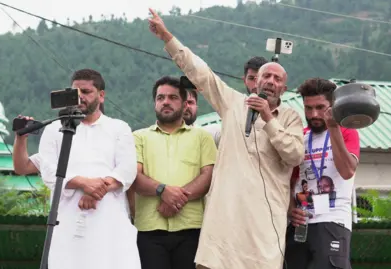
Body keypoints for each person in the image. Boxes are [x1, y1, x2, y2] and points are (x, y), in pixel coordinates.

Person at [147, 8, 305, 269]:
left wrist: (268, 118)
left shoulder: (290, 119)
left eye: (277, 79)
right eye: (266, 76)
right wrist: (167, 37)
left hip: (264, 232)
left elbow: (294, 155)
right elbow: (202, 73)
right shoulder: (233, 103)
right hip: (225, 228)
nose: (270, 81)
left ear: (284, 89)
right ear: (254, 82)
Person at [37, 69, 141, 269]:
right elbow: (48, 171)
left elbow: (127, 169)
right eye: (76, 92)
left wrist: (95, 191)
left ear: (101, 95)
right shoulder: (54, 129)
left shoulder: (119, 128)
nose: (80, 97)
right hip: (67, 220)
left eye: (86, 92)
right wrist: (84, 183)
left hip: (110, 222)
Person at [132, 76, 217, 269]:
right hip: (149, 230)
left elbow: (208, 176)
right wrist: (163, 190)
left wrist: (175, 200)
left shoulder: (202, 138)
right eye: (160, 98)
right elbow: (135, 177)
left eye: (172, 97)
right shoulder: (139, 137)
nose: (166, 102)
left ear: (184, 103)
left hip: (192, 229)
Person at [285, 78, 360, 269]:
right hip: (300, 224)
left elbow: (347, 170)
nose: (314, 114)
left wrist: (333, 127)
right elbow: (289, 181)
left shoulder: (346, 131)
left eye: (320, 107)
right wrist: (290, 208)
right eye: (308, 108)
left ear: (332, 106)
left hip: (332, 220)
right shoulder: (299, 136)